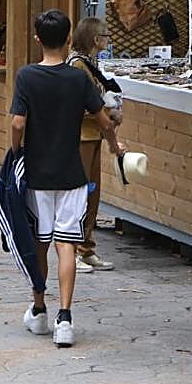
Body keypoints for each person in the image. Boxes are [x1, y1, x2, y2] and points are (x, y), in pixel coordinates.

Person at [11, 9, 125, 349]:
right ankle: (65, 318)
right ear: (67, 39)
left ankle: (39, 309)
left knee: (39, 243)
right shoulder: (78, 79)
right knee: (67, 244)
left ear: (37, 39)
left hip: (37, 173)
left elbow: (18, 122)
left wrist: (16, 150)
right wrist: (116, 147)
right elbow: (104, 121)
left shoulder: (26, 76)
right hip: (72, 173)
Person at [66, 17, 119, 273]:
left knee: (92, 192)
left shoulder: (87, 62)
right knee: (81, 193)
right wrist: (108, 113)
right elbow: (83, 104)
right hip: (81, 136)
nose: (108, 40)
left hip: (92, 134)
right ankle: (74, 249)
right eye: (106, 36)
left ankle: (86, 248)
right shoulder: (78, 65)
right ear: (96, 39)